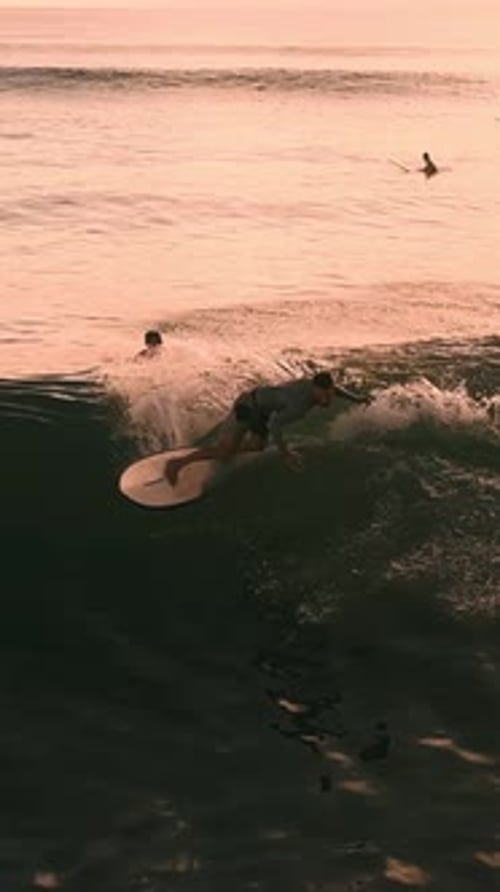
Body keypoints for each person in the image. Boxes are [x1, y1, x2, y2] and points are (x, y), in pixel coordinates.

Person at [165, 370, 369, 485]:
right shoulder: (299, 404)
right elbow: (275, 425)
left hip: (262, 409)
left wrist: (358, 398)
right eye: (323, 396)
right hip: (248, 405)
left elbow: (337, 390)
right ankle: (178, 463)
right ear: (314, 389)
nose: (326, 399)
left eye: (329, 394)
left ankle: (227, 447)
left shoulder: (319, 387)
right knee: (225, 451)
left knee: (257, 446)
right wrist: (285, 453)